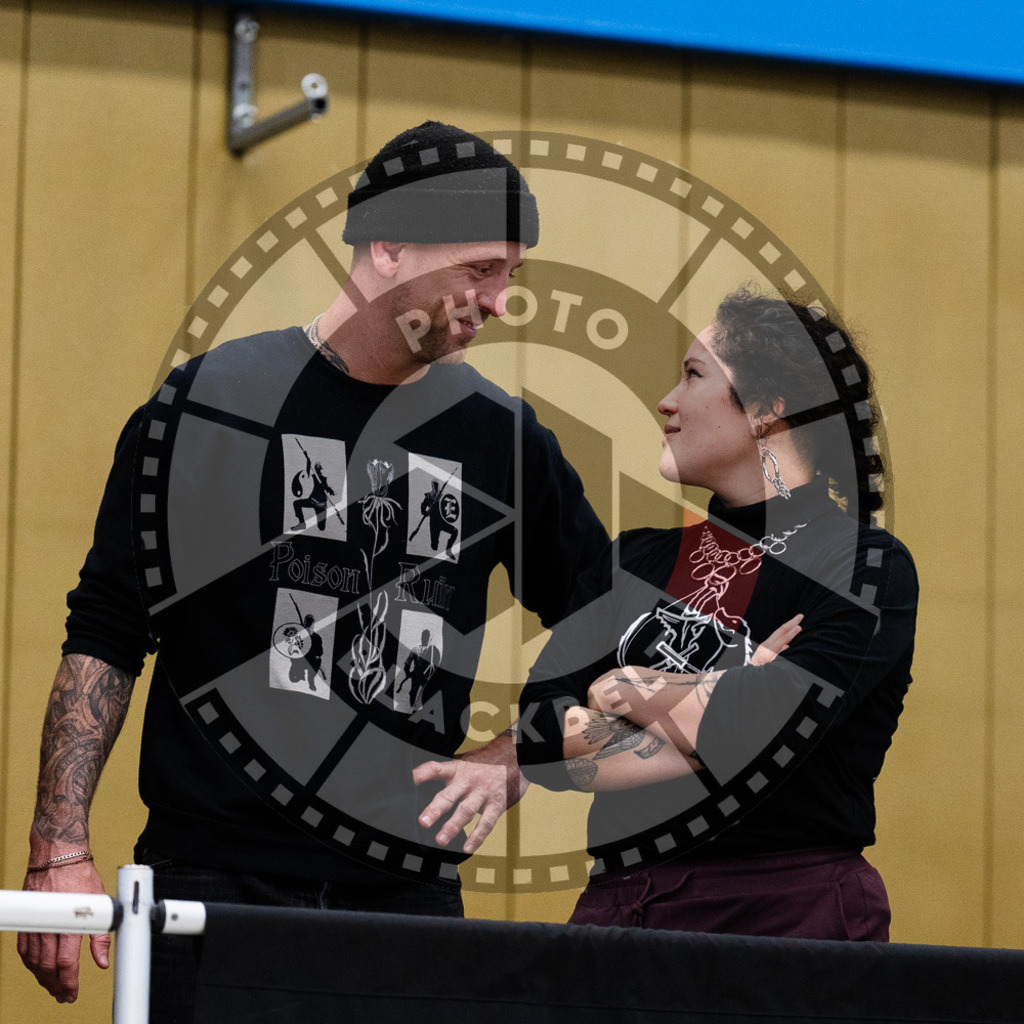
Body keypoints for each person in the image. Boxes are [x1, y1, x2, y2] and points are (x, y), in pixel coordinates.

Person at [19, 122, 609, 1016]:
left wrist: (516, 752)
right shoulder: (206, 407)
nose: (497, 303)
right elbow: (107, 630)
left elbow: (615, 625)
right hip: (212, 887)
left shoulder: (503, 440)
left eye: (510, 279)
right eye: (481, 270)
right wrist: (59, 847)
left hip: (405, 906)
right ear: (389, 246)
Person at [517, 286, 918, 941]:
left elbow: (776, 722)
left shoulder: (860, 565)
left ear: (765, 410)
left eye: (693, 374)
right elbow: (538, 735)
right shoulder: (637, 561)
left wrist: (622, 687)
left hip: (785, 918)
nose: (666, 401)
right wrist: (737, 698)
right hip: (624, 910)